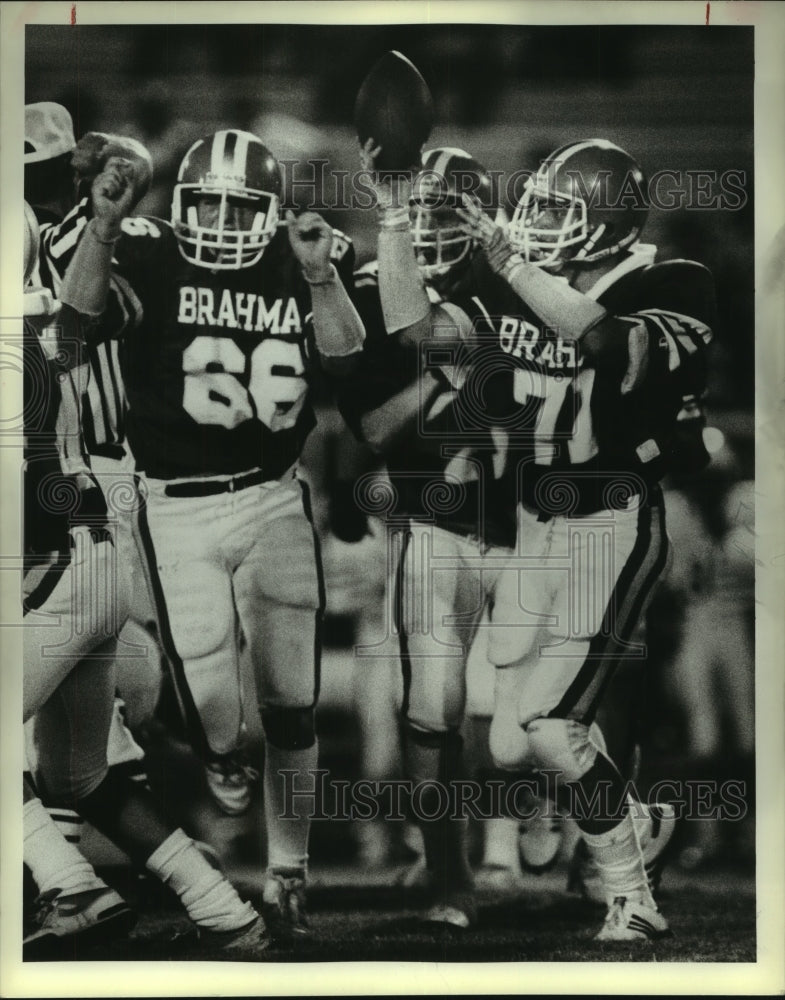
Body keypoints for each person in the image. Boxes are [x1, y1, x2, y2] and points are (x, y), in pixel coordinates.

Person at [62, 128, 364, 940]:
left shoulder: (300, 253)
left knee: (292, 705)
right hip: (175, 506)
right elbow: (79, 313)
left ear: (270, 212)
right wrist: (100, 225)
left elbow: (344, 358)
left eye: (242, 207)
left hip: (271, 497)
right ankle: (221, 759)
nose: (225, 222)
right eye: (209, 205)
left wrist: (319, 273)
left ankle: (289, 872)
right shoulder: (152, 250)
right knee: (219, 721)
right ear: (182, 205)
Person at [454, 137, 714, 940]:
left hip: (610, 520)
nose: (535, 225)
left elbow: (608, 343)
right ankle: (638, 821)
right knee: (504, 743)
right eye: (532, 208)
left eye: (557, 212)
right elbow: (419, 331)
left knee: (549, 726)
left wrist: (511, 268)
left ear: (606, 224)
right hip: (537, 521)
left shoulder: (670, 283)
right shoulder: (525, 282)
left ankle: (630, 895)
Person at [21, 191, 268, 957]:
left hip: (50, 561)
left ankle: (72, 887)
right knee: (81, 779)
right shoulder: (44, 330)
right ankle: (225, 910)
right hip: (94, 567)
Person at [339, 143, 540, 928]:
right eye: (413, 211)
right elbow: (377, 429)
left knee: (531, 732)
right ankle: (447, 876)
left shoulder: (517, 278)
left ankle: (594, 841)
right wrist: (436, 384)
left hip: (535, 524)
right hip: (439, 523)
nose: (426, 225)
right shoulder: (371, 286)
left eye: (442, 210)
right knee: (433, 704)